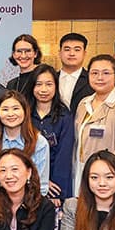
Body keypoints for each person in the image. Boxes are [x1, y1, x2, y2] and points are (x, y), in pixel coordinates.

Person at [74, 55, 115, 195]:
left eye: (106, 73)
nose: (100, 77)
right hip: (82, 172)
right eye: (94, 73)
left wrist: (103, 177)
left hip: (109, 181)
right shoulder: (83, 104)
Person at [29, 64, 75, 203]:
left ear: (56, 86)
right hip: (28, 181)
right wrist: (40, 181)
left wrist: (55, 189)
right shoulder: (25, 114)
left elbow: (64, 155)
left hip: (55, 186)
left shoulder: (64, 116)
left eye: (49, 84)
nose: (43, 89)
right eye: (38, 84)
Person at [0, 91, 50, 196]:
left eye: (16, 108)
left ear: (25, 111)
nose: (10, 114)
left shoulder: (39, 143)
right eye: (5, 109)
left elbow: (42, 186)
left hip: (30, 202)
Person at [58, 33, 93, 113]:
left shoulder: (92, 79)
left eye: (77, 50)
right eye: (67, 49)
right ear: (60, 53)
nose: (72, 54)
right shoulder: (51, 78)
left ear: (84, 54)